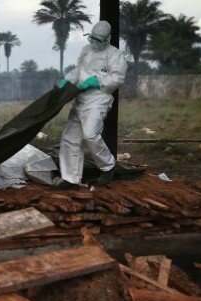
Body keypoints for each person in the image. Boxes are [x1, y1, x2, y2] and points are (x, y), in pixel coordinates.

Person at [55, 21, 128, 189]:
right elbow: (78, 71)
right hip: (80, 97)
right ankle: (70, 179)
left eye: (98, 40)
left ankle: (108, 166)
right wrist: (67, 80)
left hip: (98, 100)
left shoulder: (115, 55)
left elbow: (117, 78)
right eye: (92, 38)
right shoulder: (86, 50)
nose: (94, 43)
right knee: (70, 138)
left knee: (90, 134)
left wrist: (97, 80)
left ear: (108, 39)